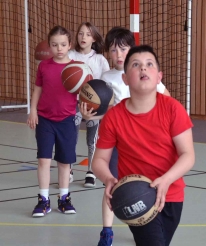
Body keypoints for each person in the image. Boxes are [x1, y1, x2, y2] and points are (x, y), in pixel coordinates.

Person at [92, 44, 195, 246]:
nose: (143, 69)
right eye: (136, 65)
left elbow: (188, 155)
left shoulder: (173, 109)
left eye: (149, 64)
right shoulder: (114, 117)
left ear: (159, 77)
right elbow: (100, 160)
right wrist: (108, 178)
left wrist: (166, 180)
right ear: (124, 78)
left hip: (171, 195)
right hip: (136, 197)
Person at [79, 27, 170, 246]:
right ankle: (107, 231)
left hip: (144, 142)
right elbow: (98, 112)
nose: (118, 55)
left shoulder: (143, 73)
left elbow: (167, 99)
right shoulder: (104, 78)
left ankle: (145, 223)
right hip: (116, 143)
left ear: (131, 49)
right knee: (111, 186)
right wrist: (87, 115)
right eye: (113, 50)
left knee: (145, 185)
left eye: (123, 49)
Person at [27, 25, 77, 217]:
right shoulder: (44, 66)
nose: (59, 48)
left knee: (65, 163)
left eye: (63, 44)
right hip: (45, 120)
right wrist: (33, 111)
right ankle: (44, 200)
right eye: (55, 45)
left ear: (69, 45)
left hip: (67, 120)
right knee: (44, 160)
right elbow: (38, 89)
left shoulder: (76, 69)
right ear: (49, 45)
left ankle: (64, 199)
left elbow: (83, 92)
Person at [68, 22, 110, 187]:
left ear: (94, 38)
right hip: (73, 104)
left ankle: (91, 171)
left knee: (92, 140)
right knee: (71, 138)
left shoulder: (100, 60)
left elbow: (107, 85)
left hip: (93, 106)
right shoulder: (70, 55)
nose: (83, 37)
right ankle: (68, 169)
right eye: (80, 33)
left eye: (87, 34)